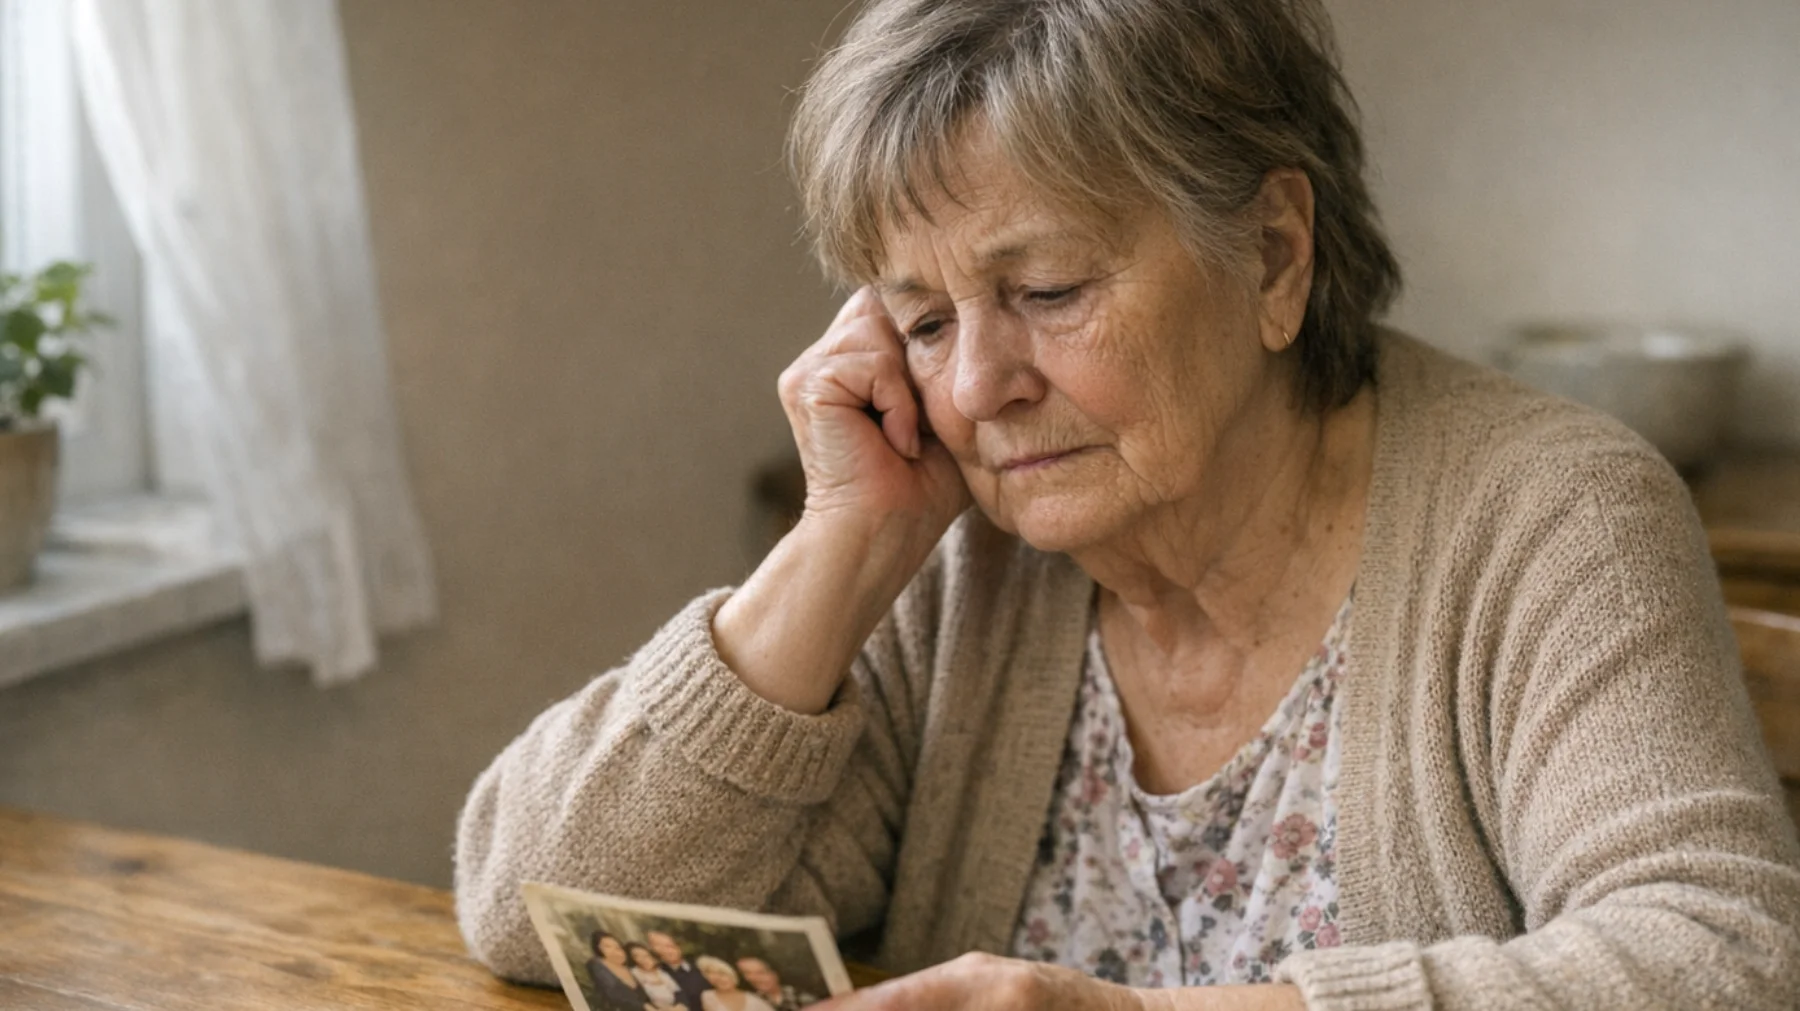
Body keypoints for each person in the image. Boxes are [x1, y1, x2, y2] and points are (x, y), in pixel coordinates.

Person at [453, 0, 1800, 1007]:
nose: (977, 385)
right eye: (922, 318)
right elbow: (534, 909)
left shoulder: (1551, 515)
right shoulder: (958, 557)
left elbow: (1724, 955)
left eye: (1048, 292)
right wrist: (842, 543)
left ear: (1273, 254)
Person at [583, 932, 655, 1011]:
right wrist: (643, 1006)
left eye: (617, 946)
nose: (614, 950)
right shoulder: (596, 964)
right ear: (598, 949)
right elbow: (613, 993)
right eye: (607, 946)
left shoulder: (629, 968)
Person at [646, 930, 709, 1011]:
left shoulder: (700, 966)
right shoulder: (658, 973)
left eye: (670, 946)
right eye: (660, 946)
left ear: (679, 947)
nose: (668, 951)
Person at [695, 956, 776, 1011]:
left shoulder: (754, 1000)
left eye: (723, 974)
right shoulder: (707, 997)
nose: (721, 980)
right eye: (715, 980)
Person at [735, 957, 816, 1011]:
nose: (755, 979)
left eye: (761, 973)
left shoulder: (801, 997)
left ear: (775, 974)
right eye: (748, 974)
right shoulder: (753, 1002)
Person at [629, 942, 683, 1008]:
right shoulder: (634, 974)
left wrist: (678, 1006)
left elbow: (677, 993)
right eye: (637, 956)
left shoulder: (661, 973)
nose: (643, 959)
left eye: (646, 956)